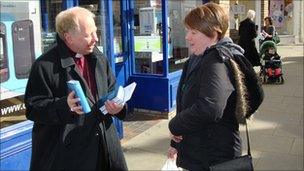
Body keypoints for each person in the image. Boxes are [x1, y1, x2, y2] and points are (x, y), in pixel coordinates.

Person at [24, 7, 127, 171]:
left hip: (103, 147)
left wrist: (119, 107)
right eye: (88, 35)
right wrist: (64, 105)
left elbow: (112, 90)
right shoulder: (44, 65)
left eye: (95, 32)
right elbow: (33, 108)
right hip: (68, 156)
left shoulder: (98, 58)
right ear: (68, 37)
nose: (95, 38)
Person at [167, 3, 252, 170]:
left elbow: (210, 107)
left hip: (214, 156)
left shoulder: (216, 61)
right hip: (200, 149)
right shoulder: (196, 58)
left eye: (194, 32)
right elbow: (187, 104)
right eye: (187, 31)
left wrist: (174, 125)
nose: (187, 37)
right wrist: (175, 143)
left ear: (214, 34)